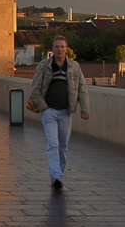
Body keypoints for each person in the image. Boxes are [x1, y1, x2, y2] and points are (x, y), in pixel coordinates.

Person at [28, 37, 89, 190]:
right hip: (49, 111)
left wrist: (84, 108)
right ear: (52, 49)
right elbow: (35, 89)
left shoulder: (74, 67)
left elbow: (81, 88)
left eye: (62, 47)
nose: (59, 50)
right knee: (53, 143)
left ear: (66, 49)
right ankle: (55, 175)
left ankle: (59, 174)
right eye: (56, 47)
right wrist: (44, 107)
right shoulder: (44, 66)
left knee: (63, 145)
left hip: (66, 112)